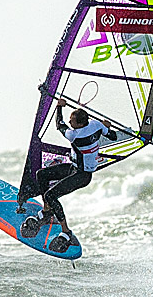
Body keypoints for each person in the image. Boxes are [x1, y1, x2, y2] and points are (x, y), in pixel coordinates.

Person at [16, 97, 117, 249]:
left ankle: (66, 231)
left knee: (51, 195)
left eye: (73, 121)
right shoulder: (96, 125)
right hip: (74, 168)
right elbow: (113, 136)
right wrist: (106, 127)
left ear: (81, 123)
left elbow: (59, 124)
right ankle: (47, 211)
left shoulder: (75, 135)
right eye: (70, 120)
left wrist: (59, 107)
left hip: (82, 176)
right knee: (41, 174)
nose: (70, 123)